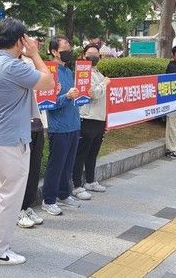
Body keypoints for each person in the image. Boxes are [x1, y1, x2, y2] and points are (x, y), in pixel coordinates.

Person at [0, 18, 55, 265]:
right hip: (11, 140)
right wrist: (35, 54)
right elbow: (49, 82)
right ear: (21, 40)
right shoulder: (14, 67)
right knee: (10, 195)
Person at [42, 36, 82, 216]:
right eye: (64, 47)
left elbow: (76, 97)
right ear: (54, 52)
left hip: (73, 123)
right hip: (58, 127)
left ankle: (64, 194)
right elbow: (48, 102)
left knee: (68, 163)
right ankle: (48, 200)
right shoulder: (50, 72)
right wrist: (66, 96)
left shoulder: (69, 71)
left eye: (69, 46)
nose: (68, 50)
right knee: (56, 164)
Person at [72, 44, 111, 199]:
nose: (93, 57)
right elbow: (92, 93)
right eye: (90, 54)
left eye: (96, 54)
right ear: (84, 55)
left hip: (99, 118)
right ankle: (76, 185)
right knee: (81, 153)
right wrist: (105, 84)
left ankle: (90, 180)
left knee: (93, 153)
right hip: (87, 117)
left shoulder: (99, 73)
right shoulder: (83, 73)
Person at [17, 56, 48, 229]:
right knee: (21, 172)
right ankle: (18, 209)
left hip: (37, 124)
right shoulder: (11, 66)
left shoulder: (31, 62)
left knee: (34, 170)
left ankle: (27, 205)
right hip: (21, 127)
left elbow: (47, 85)